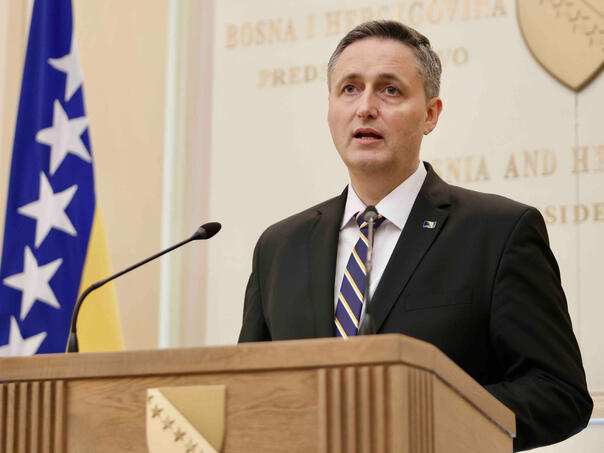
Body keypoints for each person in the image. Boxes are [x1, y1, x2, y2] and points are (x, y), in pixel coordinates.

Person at [238, 20, 592, 451]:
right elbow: (248, 394)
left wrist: (424, 417)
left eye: (390, 90)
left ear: (430, 114)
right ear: (330, 108)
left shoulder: (499, 232)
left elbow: (558, 392)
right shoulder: (279, 247)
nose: (365, 107)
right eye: (349, 89)